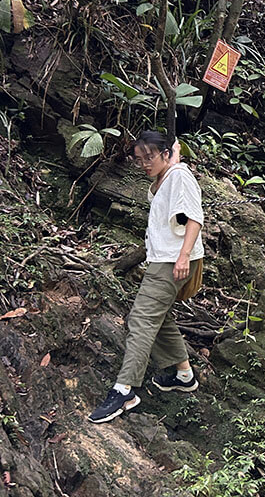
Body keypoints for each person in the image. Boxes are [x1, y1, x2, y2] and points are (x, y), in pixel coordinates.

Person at [89, 131, 204, 424]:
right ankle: (184, 374)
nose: (144, 164)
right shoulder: (169, 175)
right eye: (139, 160)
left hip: (172, 260)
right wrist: (173, 158)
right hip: (163, 259)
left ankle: (124, 389)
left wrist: (182, 257)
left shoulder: (179, 175)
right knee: (158, 316)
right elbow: (158, 192)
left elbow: (194, 218)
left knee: (141, 319)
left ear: (164, 154)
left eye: (149, 157)